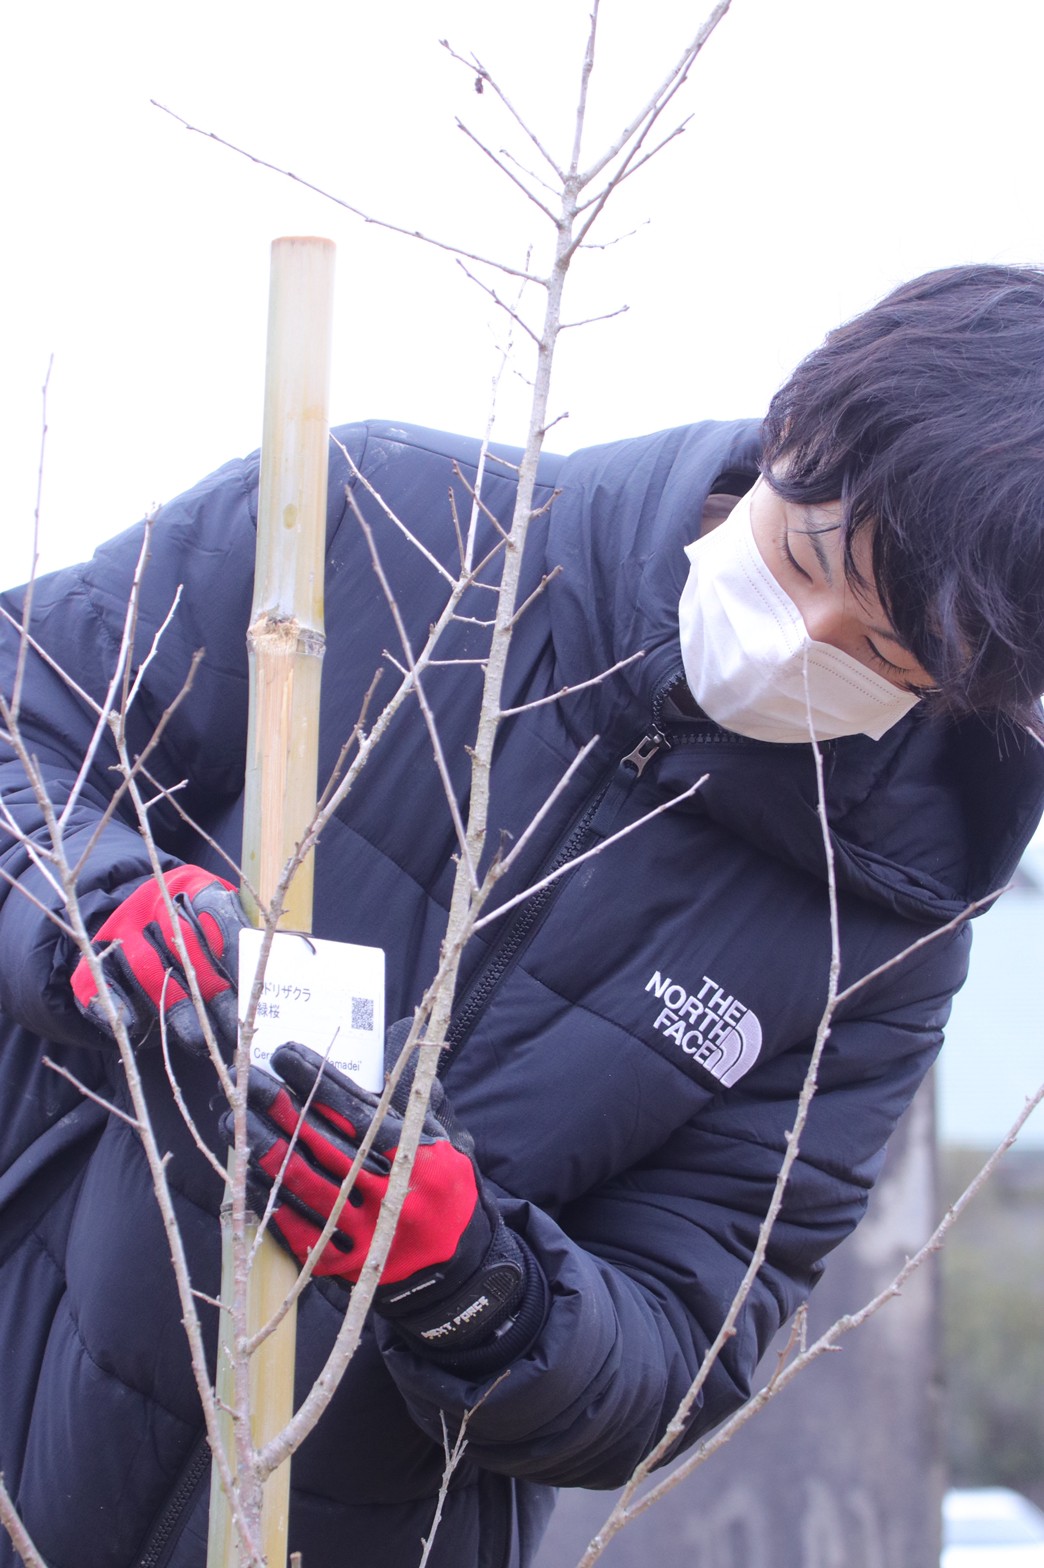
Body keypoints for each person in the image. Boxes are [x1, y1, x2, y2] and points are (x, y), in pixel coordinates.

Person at [1, 263, 1043, 1568]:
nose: (801, 636)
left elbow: (680, 1339)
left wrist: (473, 1280)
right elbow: (22, 719)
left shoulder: (885, 930)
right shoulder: (375, 525)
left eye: (883, 653)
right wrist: (91, 908)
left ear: (966, 690)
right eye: (804, 555)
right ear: (792, 434)